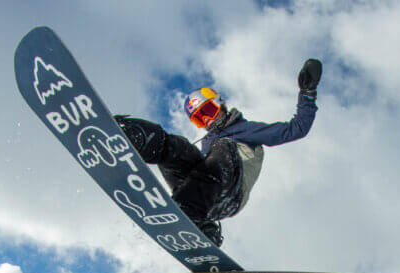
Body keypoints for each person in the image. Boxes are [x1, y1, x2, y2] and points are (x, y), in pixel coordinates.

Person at [113, 58, 322, 246]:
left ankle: (193, 215)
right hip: (200, 195)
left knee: (224, 145)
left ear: (220, 104)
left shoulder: (245, 130)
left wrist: (307, 94)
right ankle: (133, 136)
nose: (207, 120)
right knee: (176, 146)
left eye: (208, 111)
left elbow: (296, 129)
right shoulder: (208, 141)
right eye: (199, 118)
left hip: (231, 194)